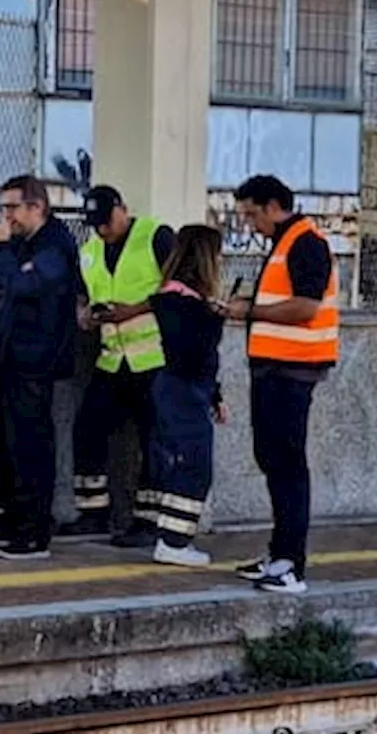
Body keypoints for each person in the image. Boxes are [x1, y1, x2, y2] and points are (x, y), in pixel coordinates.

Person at [214, 175, 340, 595]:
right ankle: (278, 552)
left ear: (272, 206)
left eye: (251, 214)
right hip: (273, 370)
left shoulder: (306, 242)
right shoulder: (284, 243)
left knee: (287, 465)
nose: (249, 224)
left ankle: (291, 564)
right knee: (272, 459)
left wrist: (249, 312)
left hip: (294, 370)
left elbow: (306, 306)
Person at [0, 174, 79, 560]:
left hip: (35, 359)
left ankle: (35, 528)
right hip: (6, 357)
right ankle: (11, 515)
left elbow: (21, 286)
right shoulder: (17, 245)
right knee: (2, 443)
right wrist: (4, 263)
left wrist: (4, 260)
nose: (6, 217)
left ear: (37, 207)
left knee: (30, 442)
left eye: (13, 208)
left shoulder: (54, 247)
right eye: (2, 209)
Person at [61, 185, 175, 547]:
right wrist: (84, 316)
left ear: (123, 209)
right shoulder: (90, 251)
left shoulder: (155, 236)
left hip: (153, 358)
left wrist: (134, 310)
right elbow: (82, 295)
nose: (102, 230)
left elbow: (178, 292)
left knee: (153, 439)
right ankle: (94, 512)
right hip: (112, 358)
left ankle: (148, 519)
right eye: (95, 224)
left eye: (107, 221)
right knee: (88, 429)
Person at [110, 225, 229, 567]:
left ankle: (171, 537)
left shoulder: (169, 298)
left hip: (176, 386)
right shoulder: (188, 305)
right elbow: (197, 354)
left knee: (178, 461)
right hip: (185, 389)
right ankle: (174, 541)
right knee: (193, 464)